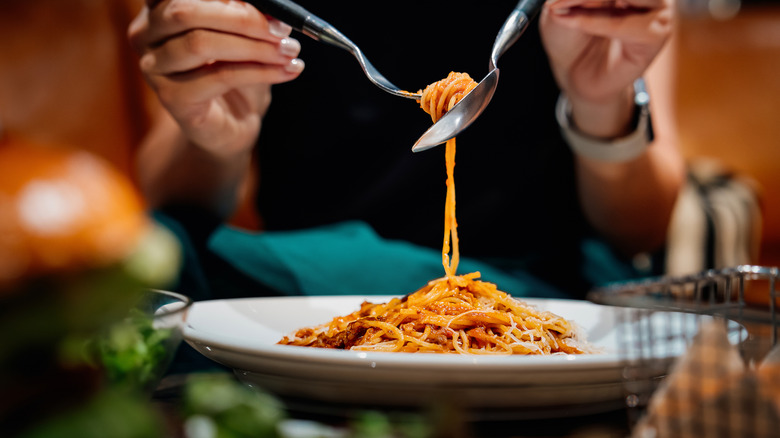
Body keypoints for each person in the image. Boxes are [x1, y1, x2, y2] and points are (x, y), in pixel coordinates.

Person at [127, 0, 685, 301]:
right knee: (144, 262)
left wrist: (602, 102)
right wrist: (216, 139)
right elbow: (172, 201)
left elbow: (641, 230)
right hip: (301, 290)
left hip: (537, 289)